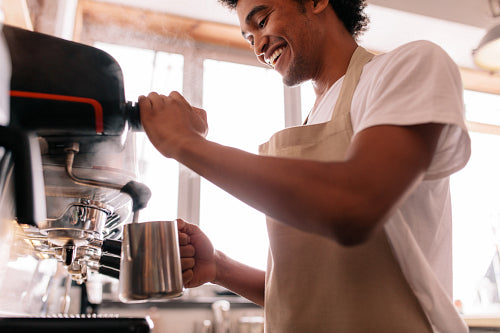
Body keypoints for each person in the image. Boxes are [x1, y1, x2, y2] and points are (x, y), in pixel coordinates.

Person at [138, 0, 471, 331]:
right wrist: (221, 268)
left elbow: (354, 203)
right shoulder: (313, 120)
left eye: (263, 20)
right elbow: (319, 298)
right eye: (249, 38)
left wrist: (185, 143)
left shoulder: (409, 67)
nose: (259, 46)